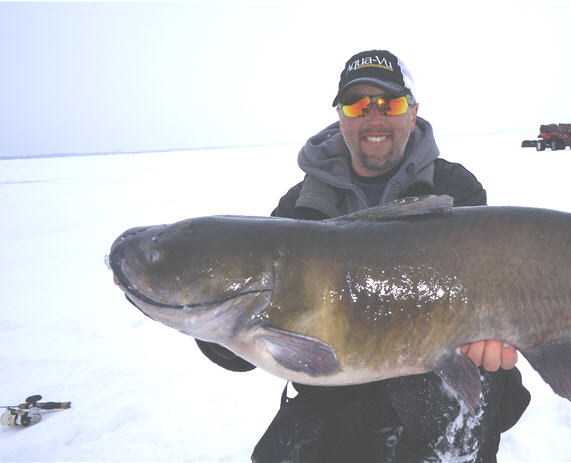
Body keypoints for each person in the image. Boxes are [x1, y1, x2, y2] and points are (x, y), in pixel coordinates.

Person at [196, 49, 530, 463]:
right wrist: (215, 318)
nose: (374, 119)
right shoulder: (300, 209)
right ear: (341, 117)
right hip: (335, 392)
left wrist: (487, 336)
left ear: (413, 112)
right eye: (357, 105)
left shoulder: (453, 187)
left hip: (434, 377)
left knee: (446, 410)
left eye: (389, 104)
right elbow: (241, 343)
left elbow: (484, 285)